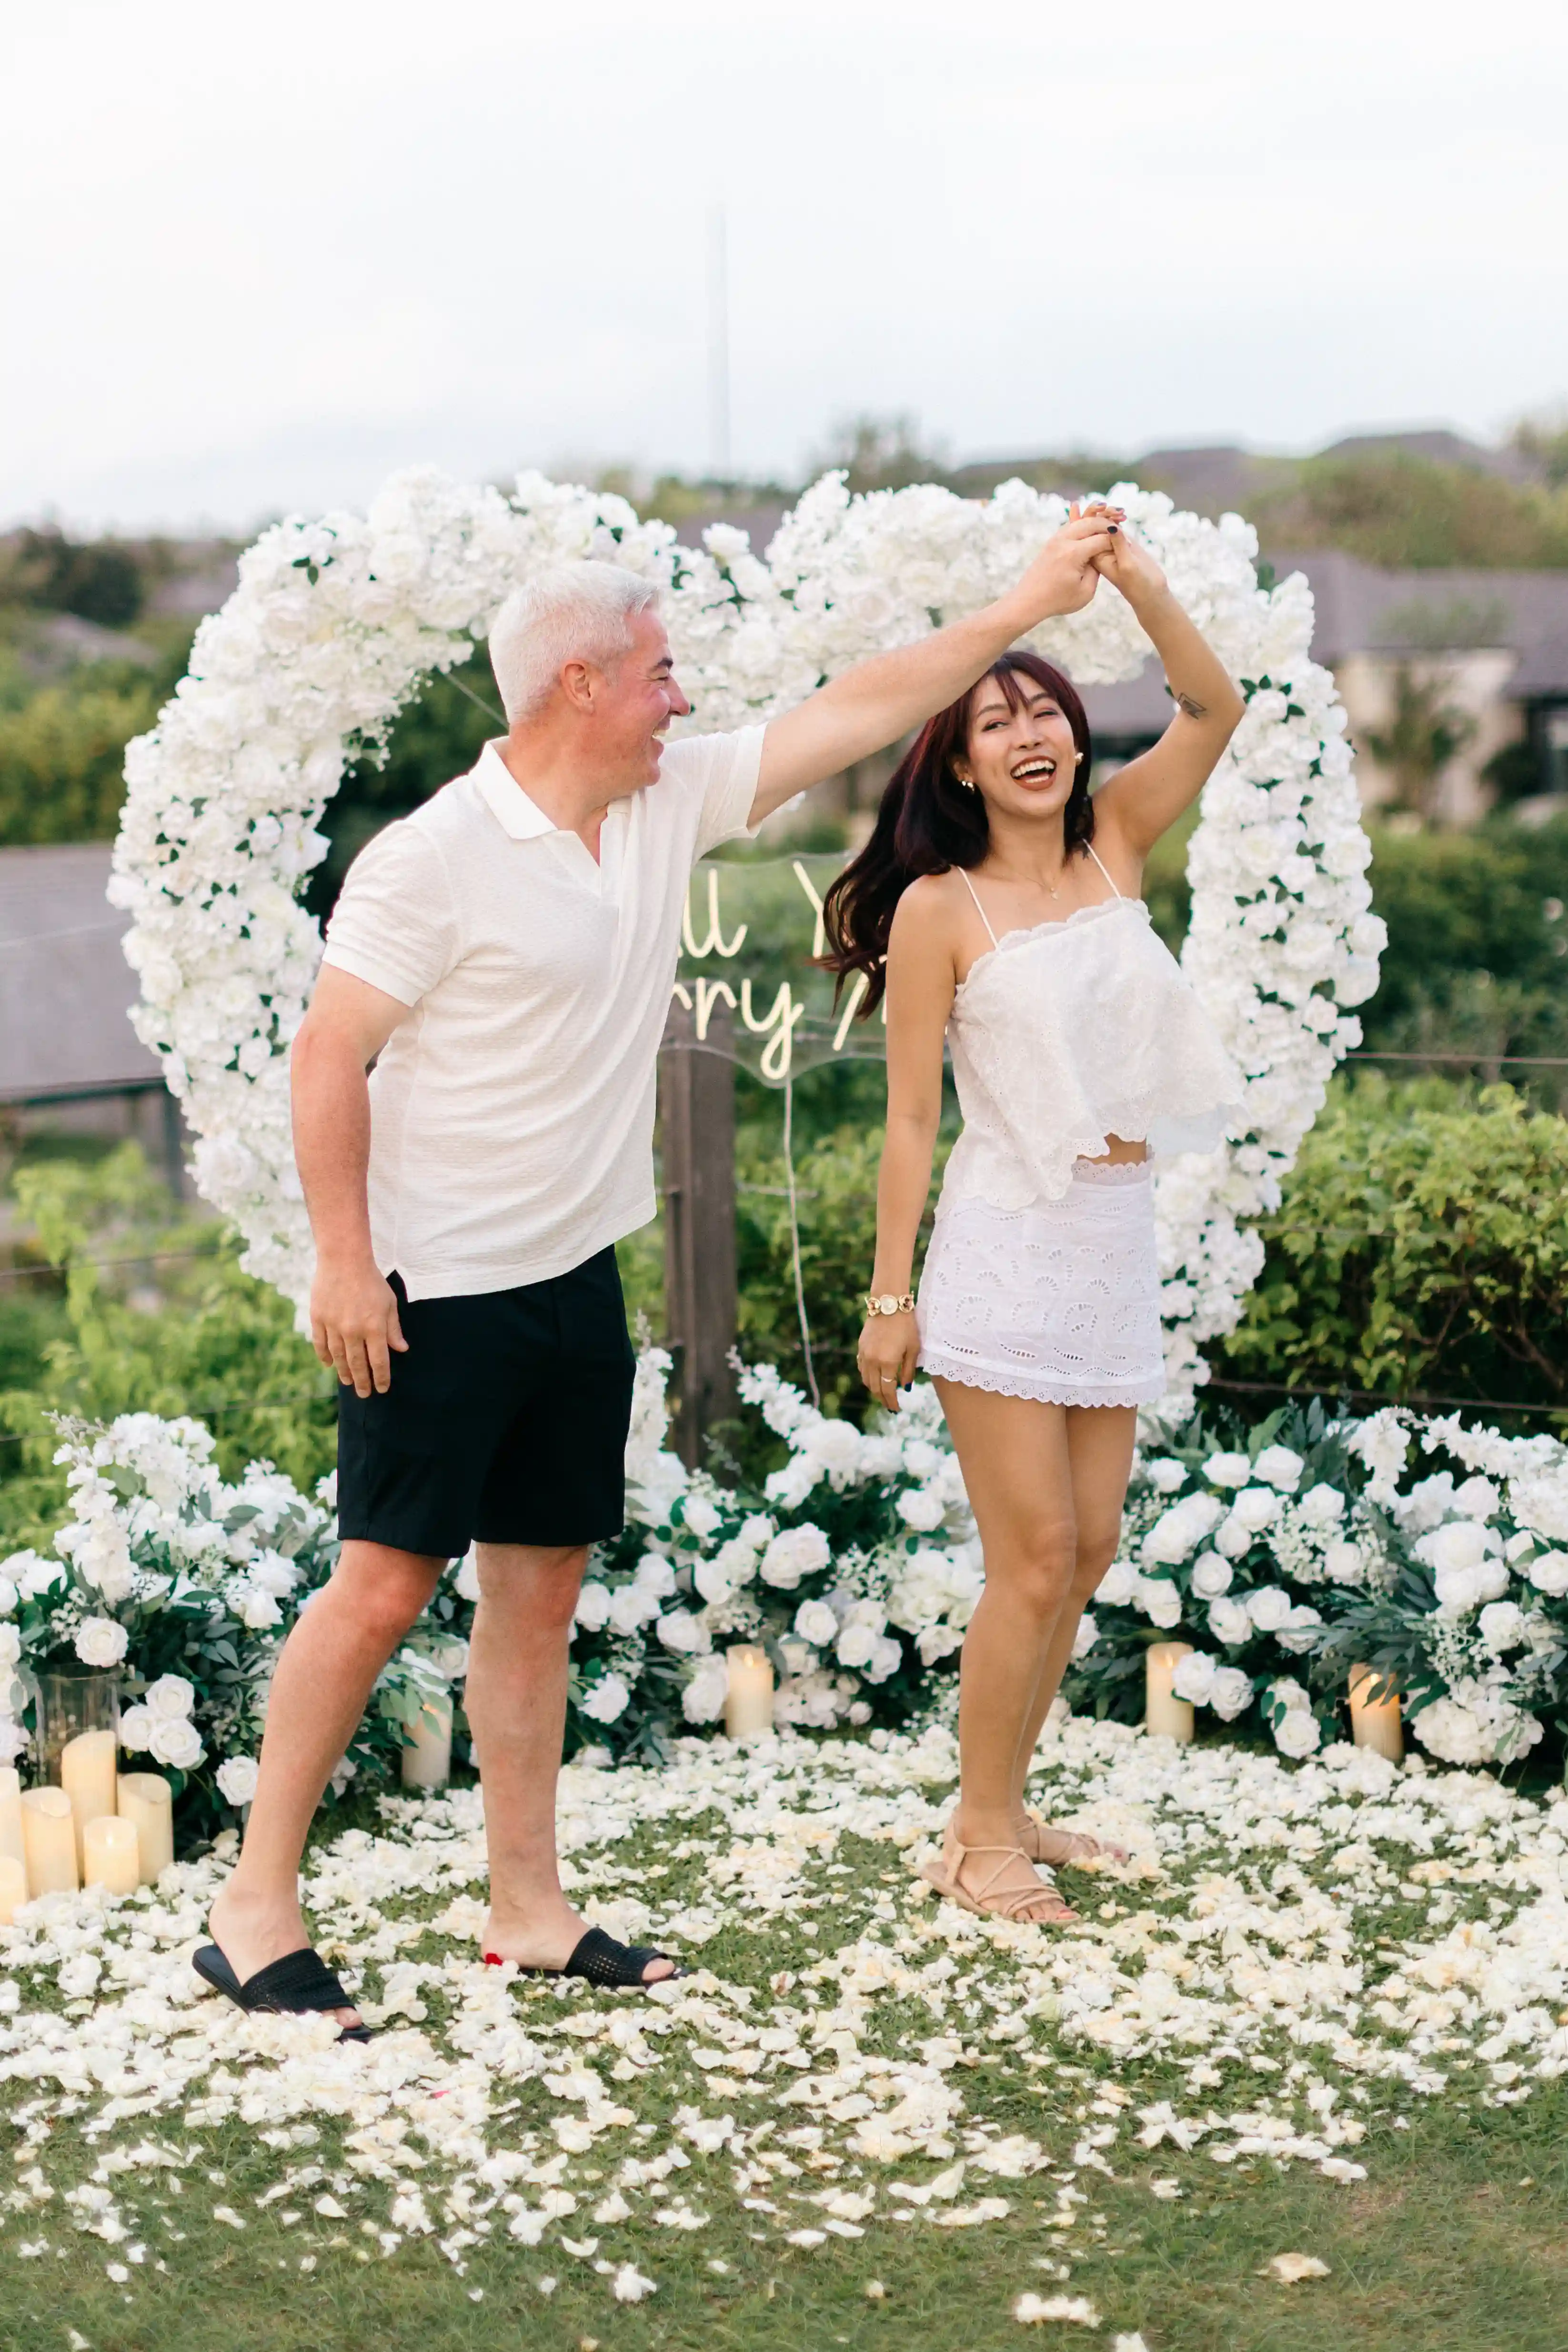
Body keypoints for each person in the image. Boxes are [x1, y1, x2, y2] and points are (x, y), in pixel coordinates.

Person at [196, 511, 1127, 2033]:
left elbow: (871, 701)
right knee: (378, 1590)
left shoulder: (660, 802)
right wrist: (345, 1262)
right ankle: (252, 1909)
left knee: (541, 1592)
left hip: (573, 1282)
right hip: (431, 1289)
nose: (681, 698)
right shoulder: (426, 860)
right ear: (577, 684)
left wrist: (1025, 602)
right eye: (659, 672)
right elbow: (328, 1054)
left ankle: (528, 1910)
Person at [822, 515, 1246, 1929]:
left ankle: (1003, 1802)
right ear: (953, 760)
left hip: (1111, 1244)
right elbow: (907, 1123)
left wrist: (1131, 583)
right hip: (1004, 1247)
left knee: (1094, 1547)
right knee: (1034, 1557)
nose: (1029, 737)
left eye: (1047, 714)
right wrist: (891, 1299)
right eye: (996, 720)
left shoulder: (1117, 840)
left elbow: (1212, 704)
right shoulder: (939, 908)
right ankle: (977, 1840)